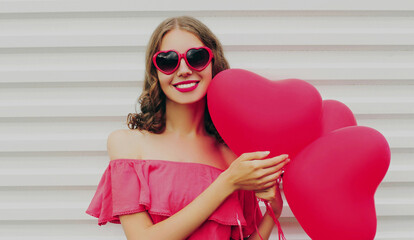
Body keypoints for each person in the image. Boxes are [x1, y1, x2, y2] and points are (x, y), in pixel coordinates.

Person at [86, 16, 290, 240]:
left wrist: (273, 213)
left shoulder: (232, 154)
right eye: (168, 61)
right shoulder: (127, 144)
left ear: (214, 63)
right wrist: (227, 182)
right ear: (155, 72)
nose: (183, 69)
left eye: (196, 57)